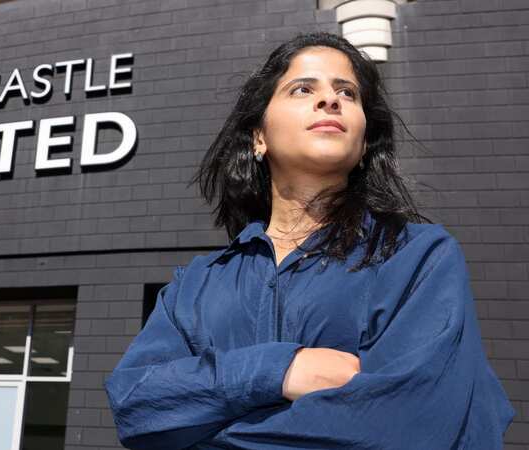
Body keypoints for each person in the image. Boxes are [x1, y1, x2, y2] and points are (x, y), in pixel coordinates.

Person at [103, 31, 515, 450]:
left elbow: (409, 425)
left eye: (347, 93)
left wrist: (201, 424)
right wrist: (280, 370)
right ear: (258, 138)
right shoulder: (193, 287)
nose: (330, 100)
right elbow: (135, 404)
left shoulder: (417, 257)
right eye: (302, 88)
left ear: (365, 140)